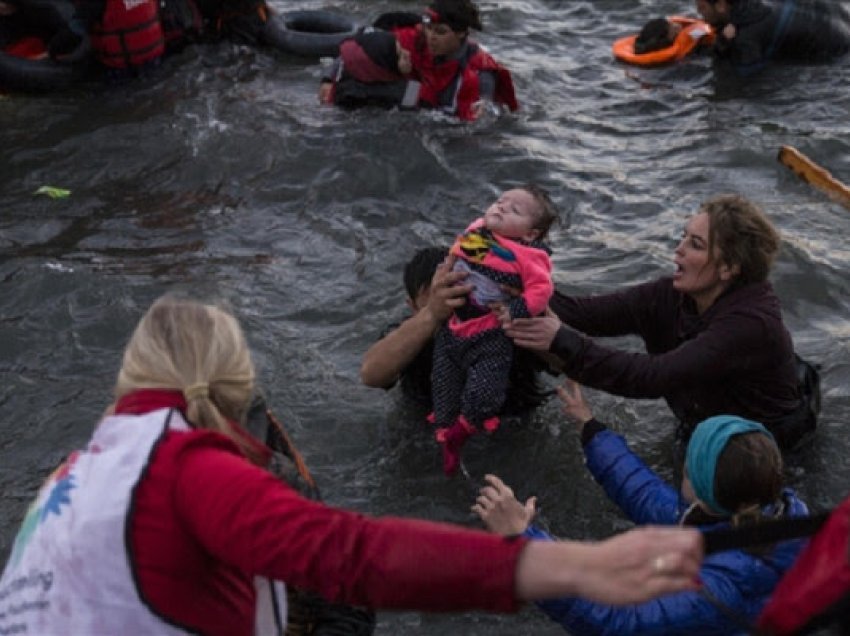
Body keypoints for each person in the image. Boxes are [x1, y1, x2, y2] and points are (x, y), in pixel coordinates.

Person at [0, 295, 705, 635]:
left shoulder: (71, 476)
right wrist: (568, 566)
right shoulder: (183, 467)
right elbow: (354, 557)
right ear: (234, 387)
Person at [473, 379, 809, 635]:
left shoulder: (717, 589)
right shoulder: (776, 512)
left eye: (689, 470)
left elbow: (618, 623)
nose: (682, 474)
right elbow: (647, 495)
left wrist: (523, 541)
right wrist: (590, 429)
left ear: (704, 495)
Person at [502, 194, 818, 450]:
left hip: (772, 454)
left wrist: (562, 340)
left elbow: (653, 377)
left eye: (695, 245)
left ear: (729, 268)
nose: (677, 250)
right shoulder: (671, 295)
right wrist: (513, 282)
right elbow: (585, 314)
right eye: (684, 237)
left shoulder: (749, 325)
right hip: (704, 430)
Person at [431, 185, 557, 475]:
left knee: (485, 393)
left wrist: (514, 310)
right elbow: (458, 249)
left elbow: (541, 290)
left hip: (490, 332)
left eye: (514, 210)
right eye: (500, 201)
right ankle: (444, 431)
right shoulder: (480, 231)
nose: (500, 208)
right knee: (443, 381)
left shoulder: (528, 255)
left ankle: (461, 431)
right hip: (455, 326)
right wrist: (447, 267)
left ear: (530, 234)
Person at [360, 245, 551, 417]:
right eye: (435, 299)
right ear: (413, 307)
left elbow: (564, 362)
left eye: (457, 295)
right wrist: (432, 315)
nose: (450, 307)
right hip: (429, 427)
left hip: (512, 424)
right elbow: (371, 375)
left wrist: (525, 315)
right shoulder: (409, 335)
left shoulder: (504, 319)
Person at [378, 0, 519, 121]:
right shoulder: (418, 40)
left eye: (440, 32)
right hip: (419, 99)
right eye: (429, 29)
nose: (431, 37)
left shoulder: (479, 76)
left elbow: (475, 128)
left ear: (461, 33)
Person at [695, 0, 850, 74]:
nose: (698, 12)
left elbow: (748, 78)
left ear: (721, 6)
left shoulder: (745, 36)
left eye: (702, 7)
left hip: (840, 57)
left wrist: (721, 45)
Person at [317, 28, 420, 110]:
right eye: (402, 55)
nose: (408, 54)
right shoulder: (409, 90)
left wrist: (327, 79)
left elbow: (347, 56)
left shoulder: (347, 81)